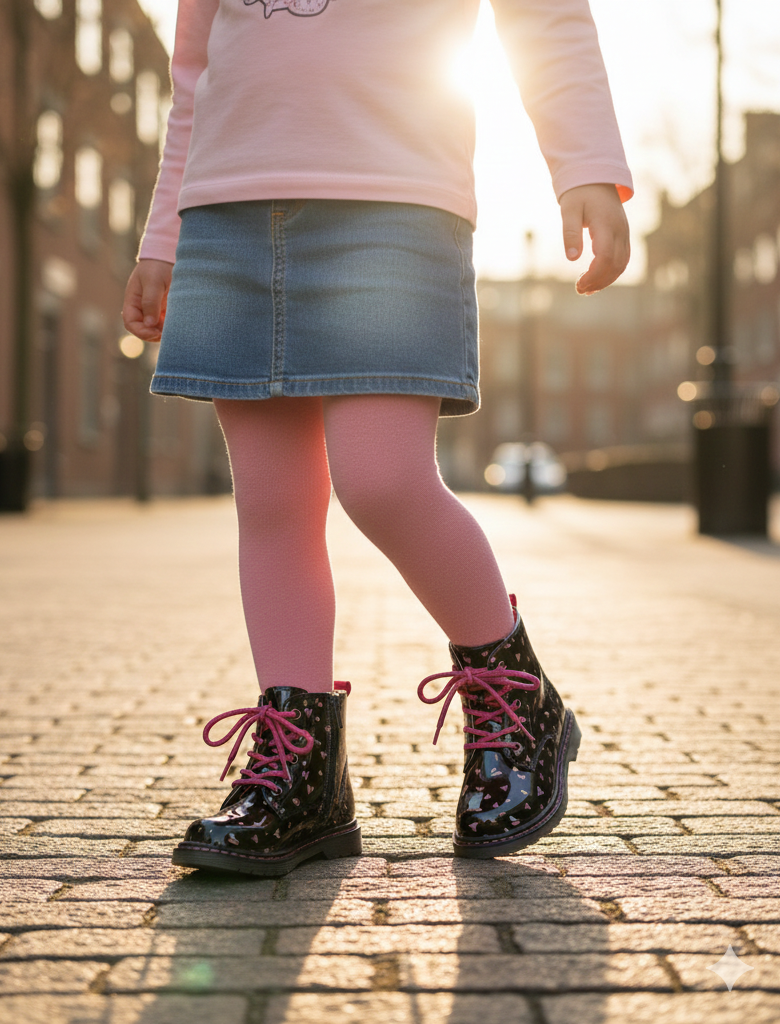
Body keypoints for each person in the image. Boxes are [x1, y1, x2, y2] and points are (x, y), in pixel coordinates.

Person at [122, 0, 632, 876]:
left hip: (395, 200)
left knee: (383, 482)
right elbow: (194, 73)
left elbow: (543, 12)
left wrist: (582, 161)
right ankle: (302, 776)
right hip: (227, 211)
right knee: (273, 503)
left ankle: (517, 701)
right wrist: (165, 230)